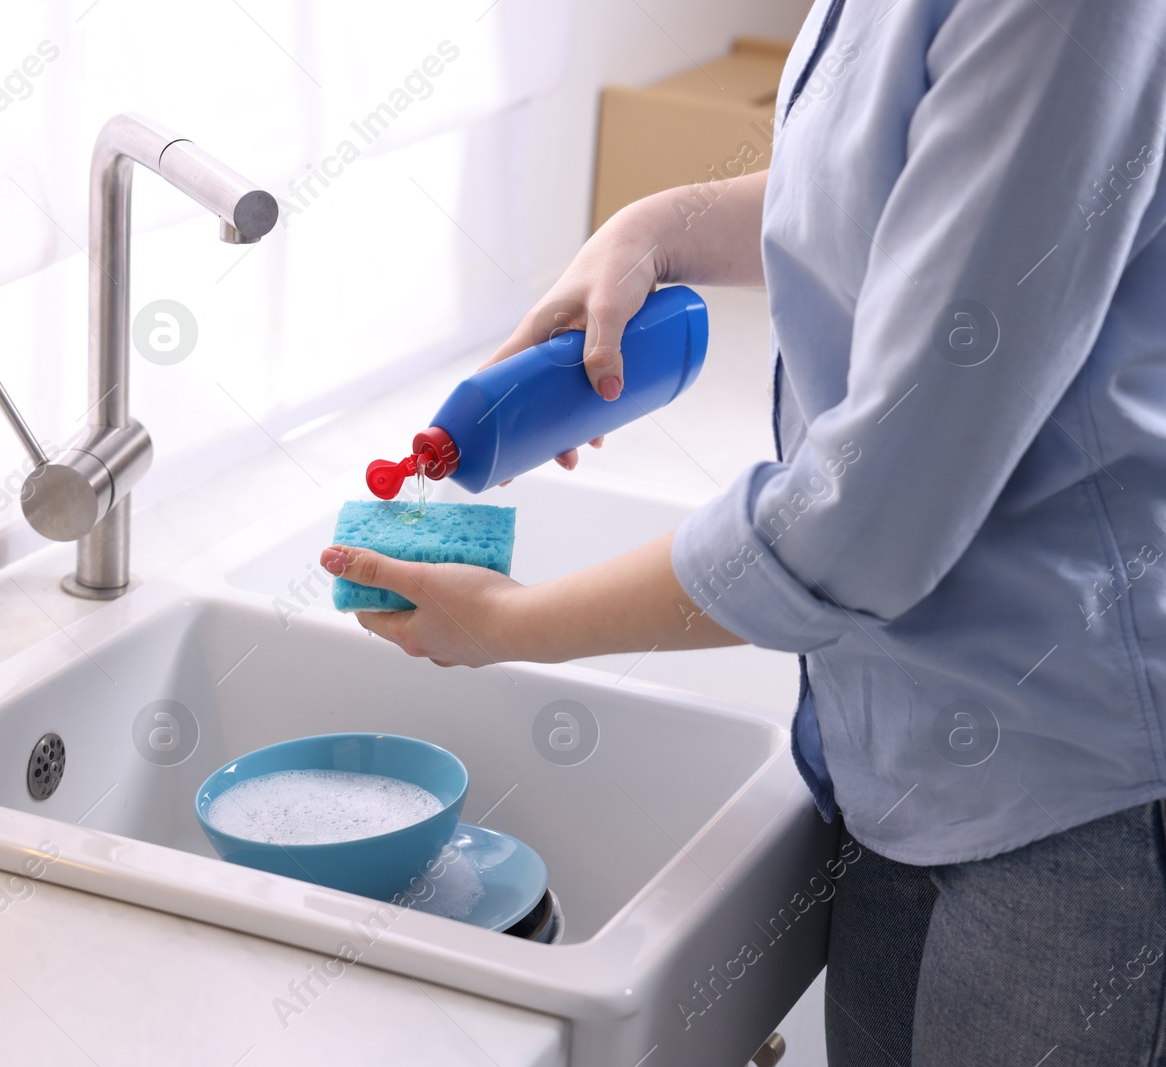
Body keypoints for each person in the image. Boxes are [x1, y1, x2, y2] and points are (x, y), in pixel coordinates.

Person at [320, 1, 1166, 1063]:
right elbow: (909, 193)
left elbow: (866, 517)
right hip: (889, 759)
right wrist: (656, 226)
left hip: (1070, 788)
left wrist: (513, 623)